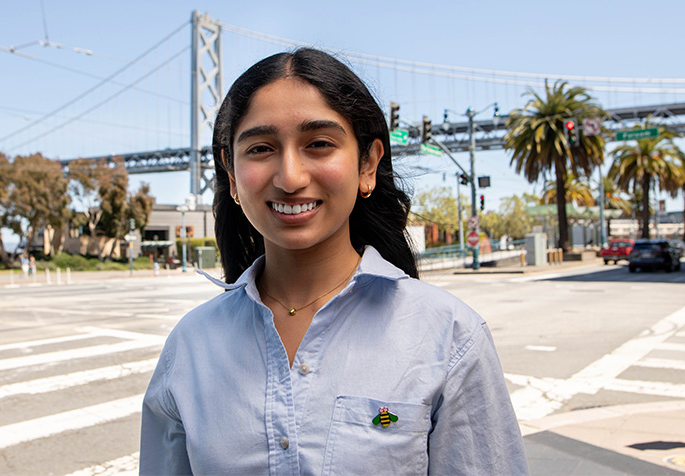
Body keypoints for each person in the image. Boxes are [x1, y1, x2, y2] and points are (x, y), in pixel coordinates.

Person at [140, 48, 528, 475]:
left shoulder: (448, 336)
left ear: (368, 165)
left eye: (319, 144)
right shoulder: (191, 346)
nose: (290, 177)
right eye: (261, 148)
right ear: (231, 175)